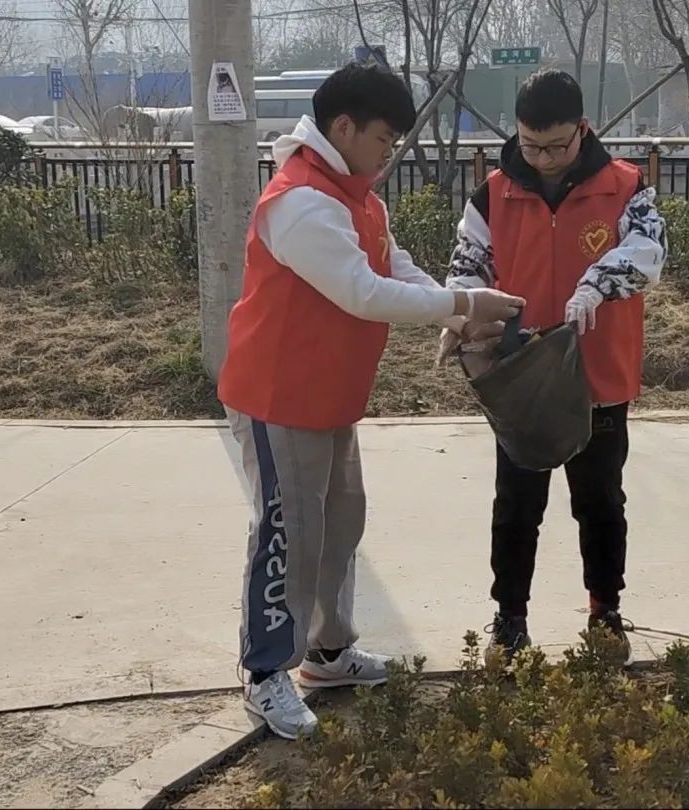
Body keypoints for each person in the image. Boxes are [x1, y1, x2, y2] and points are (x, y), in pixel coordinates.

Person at [218, 63, 525, 740]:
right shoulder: (301, 202)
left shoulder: (356, 197)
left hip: (330, 395)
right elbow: (362, 292)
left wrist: (456, 311)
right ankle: (265, 671)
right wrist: (463, 302)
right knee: (289, 534)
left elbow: (394, 266)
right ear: (344, 127)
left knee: (339, 524)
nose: (389, 152)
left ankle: (328, 652)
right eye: (385, 137)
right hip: (279, 396)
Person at [441, 69, 667, 660]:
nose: (541, 158)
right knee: (516, 505)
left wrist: (598, 283)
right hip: (522, 377)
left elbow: (648, 250)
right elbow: (467, 266)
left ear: (582, 130)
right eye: (530, 145)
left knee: (601, 501)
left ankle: (605, 613)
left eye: (556, 146)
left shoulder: (625, 186)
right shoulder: (492, 195)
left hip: (598, 375)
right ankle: (509, 620)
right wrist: (458, 314)